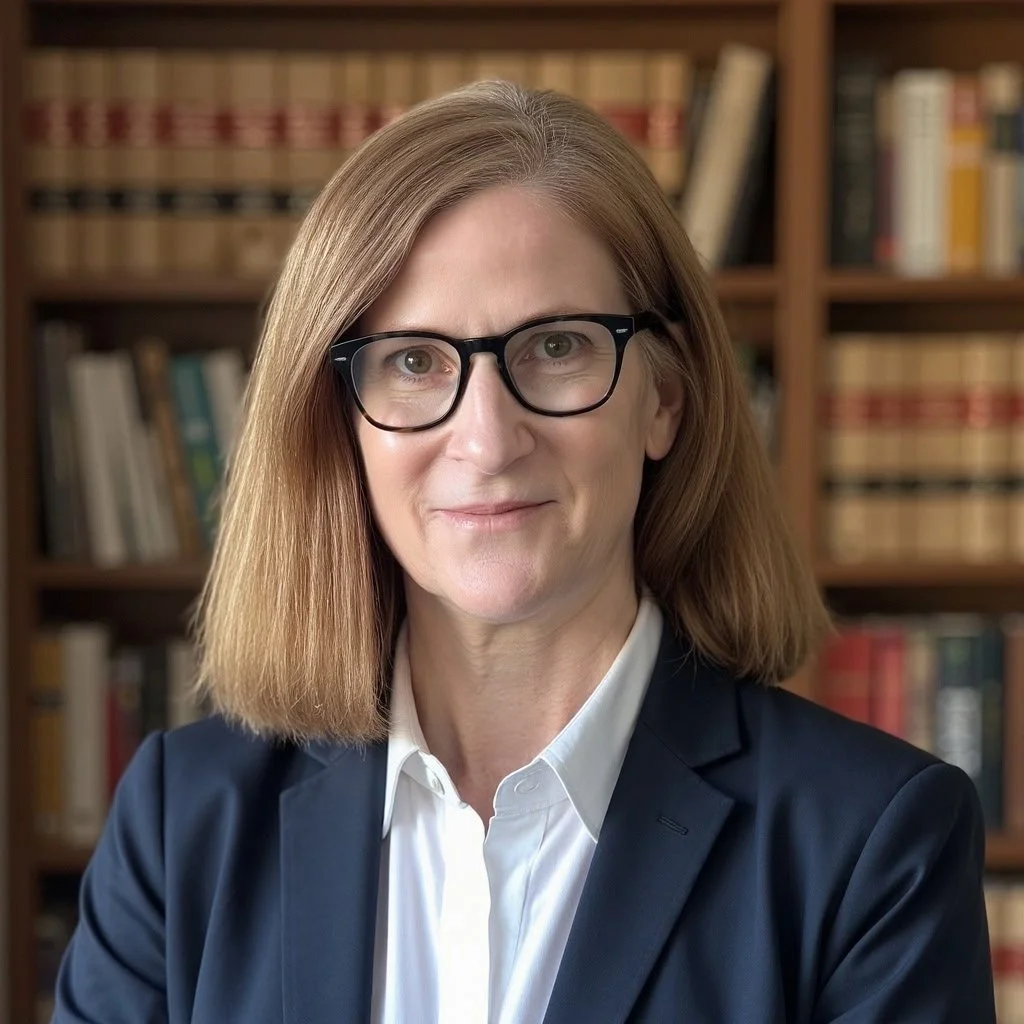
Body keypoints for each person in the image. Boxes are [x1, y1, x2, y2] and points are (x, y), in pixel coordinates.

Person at [53, 81, 995, 1024]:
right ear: (343, 423)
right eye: (415, 361)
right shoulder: (185, 822)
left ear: (664, 398)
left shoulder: (874, 842)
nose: (489, 440)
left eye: (555, 347)